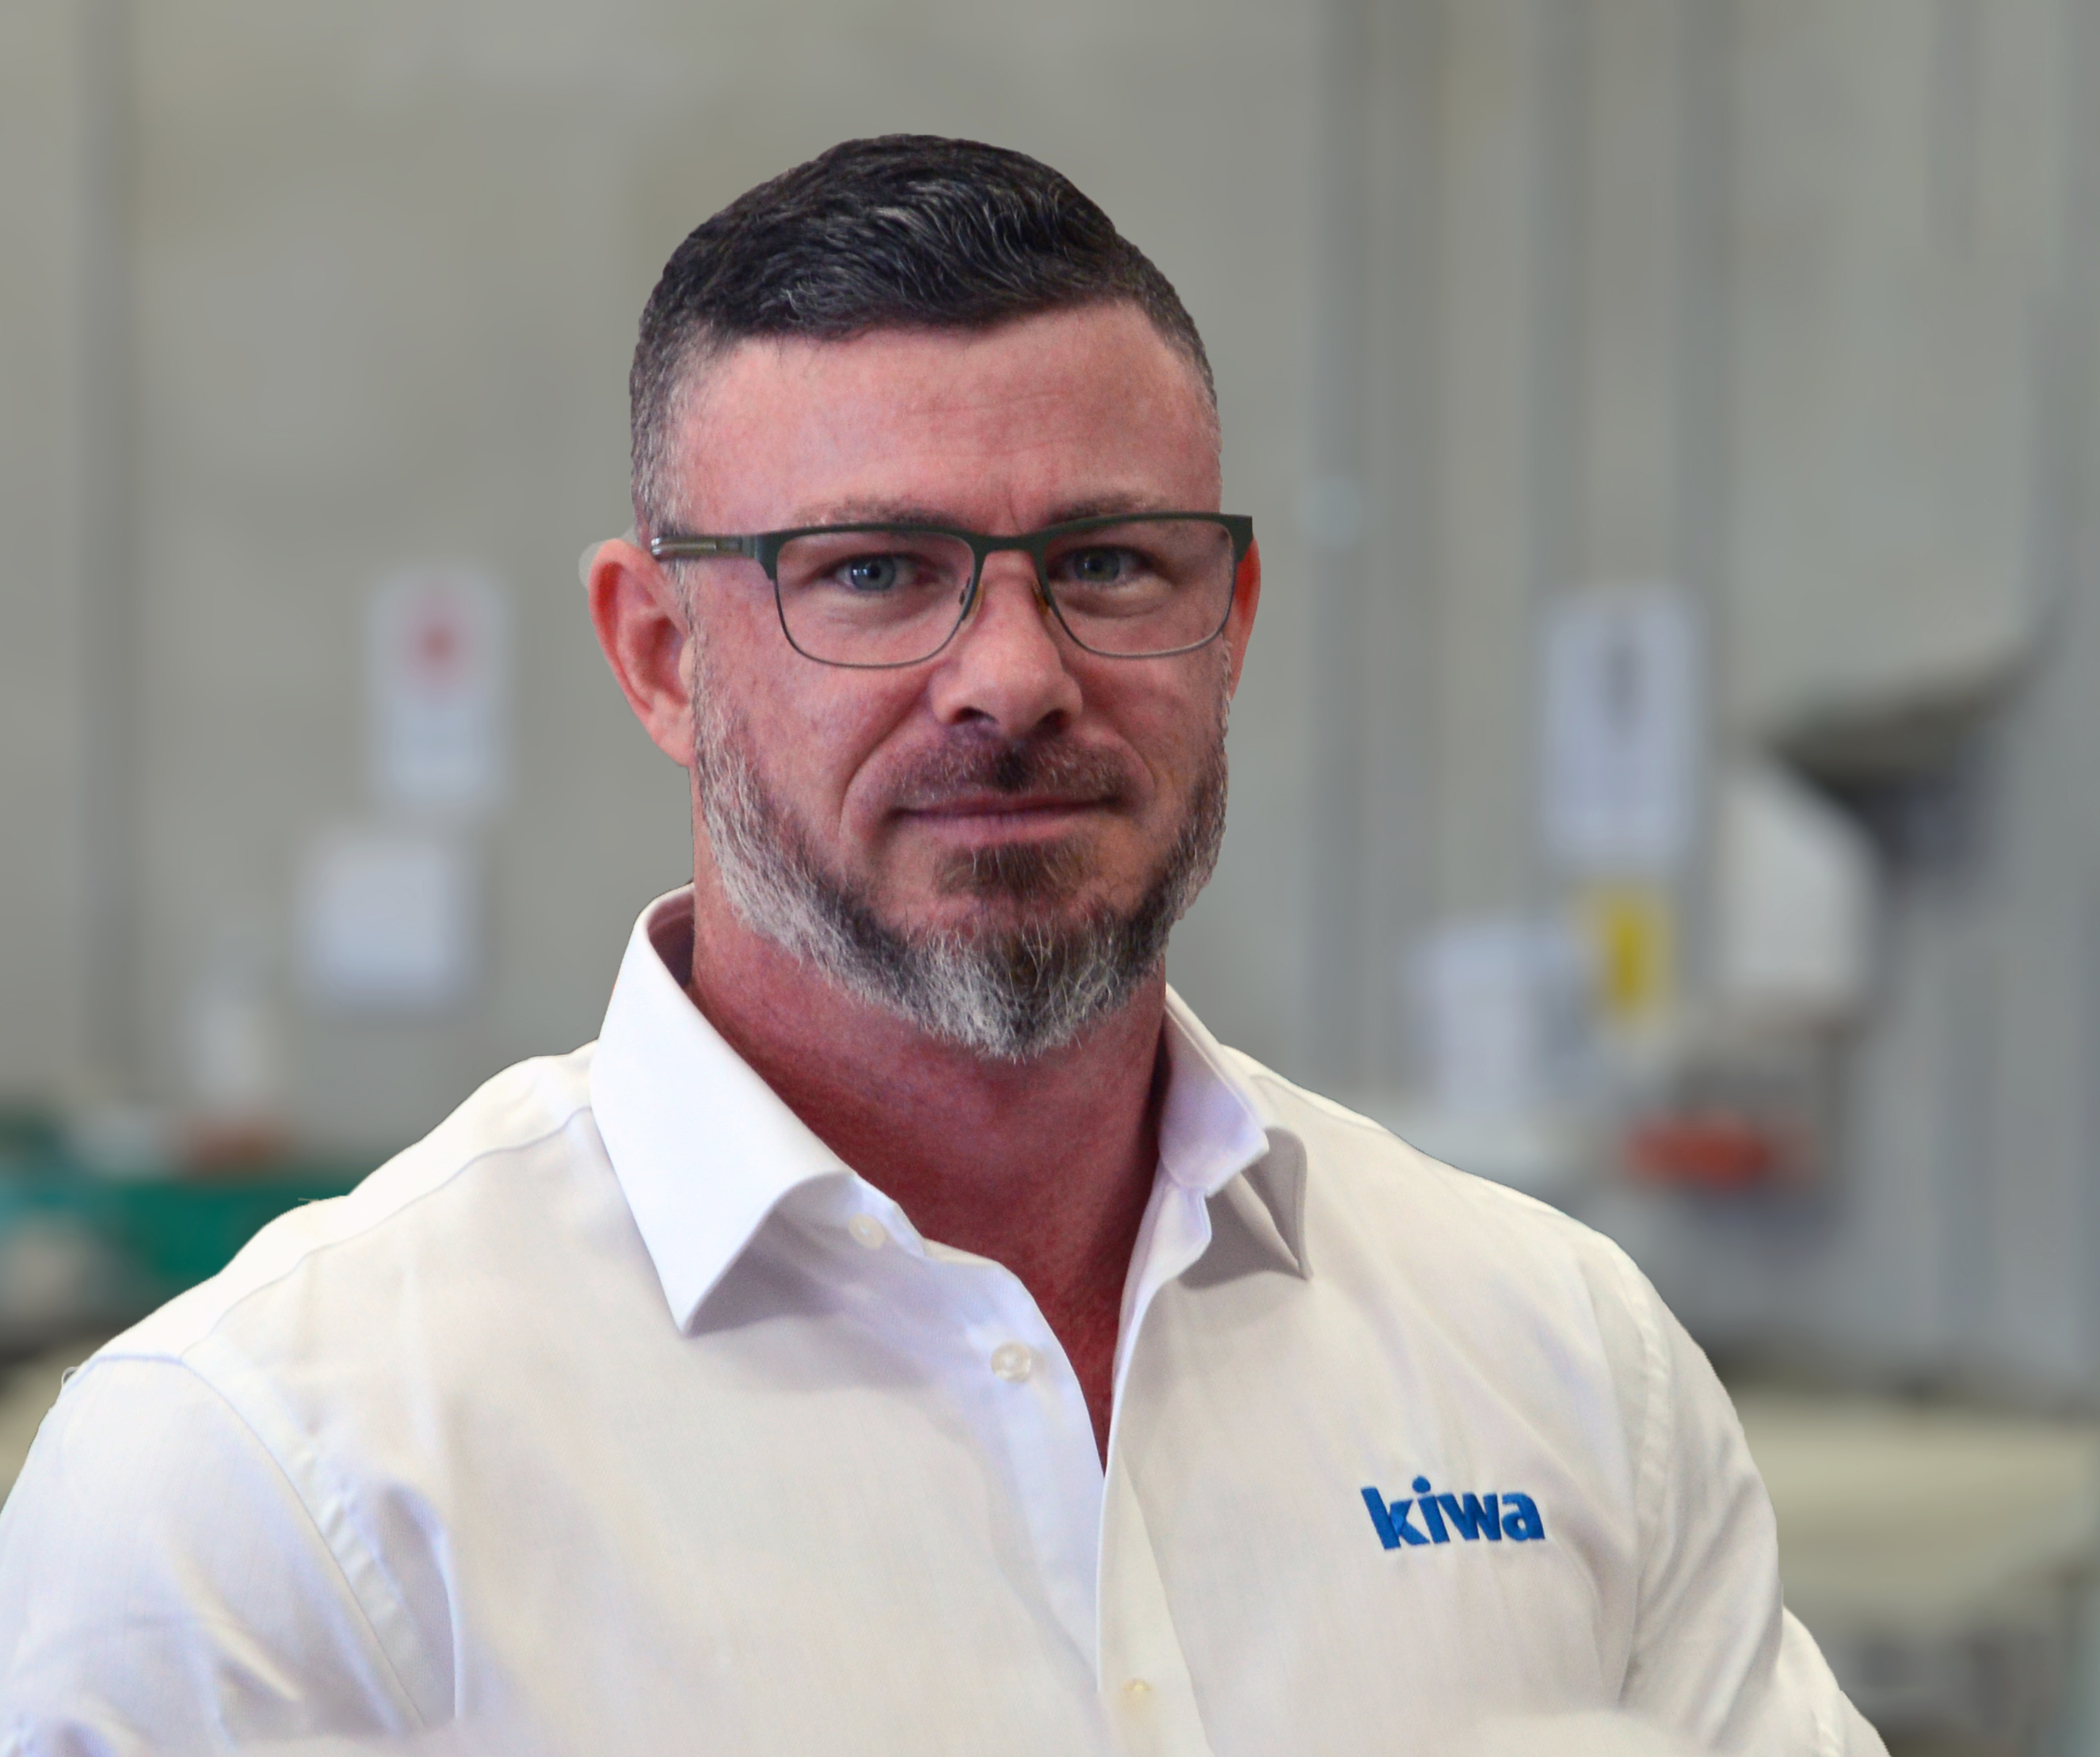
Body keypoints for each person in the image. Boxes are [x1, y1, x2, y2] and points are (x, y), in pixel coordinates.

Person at [0, 135, 1881, 1755]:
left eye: (1107, 563)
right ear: (658, 653)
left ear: (1227, 617)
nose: (1009, 677)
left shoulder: (1555, 1361)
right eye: (872, 572)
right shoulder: (263, 1480)